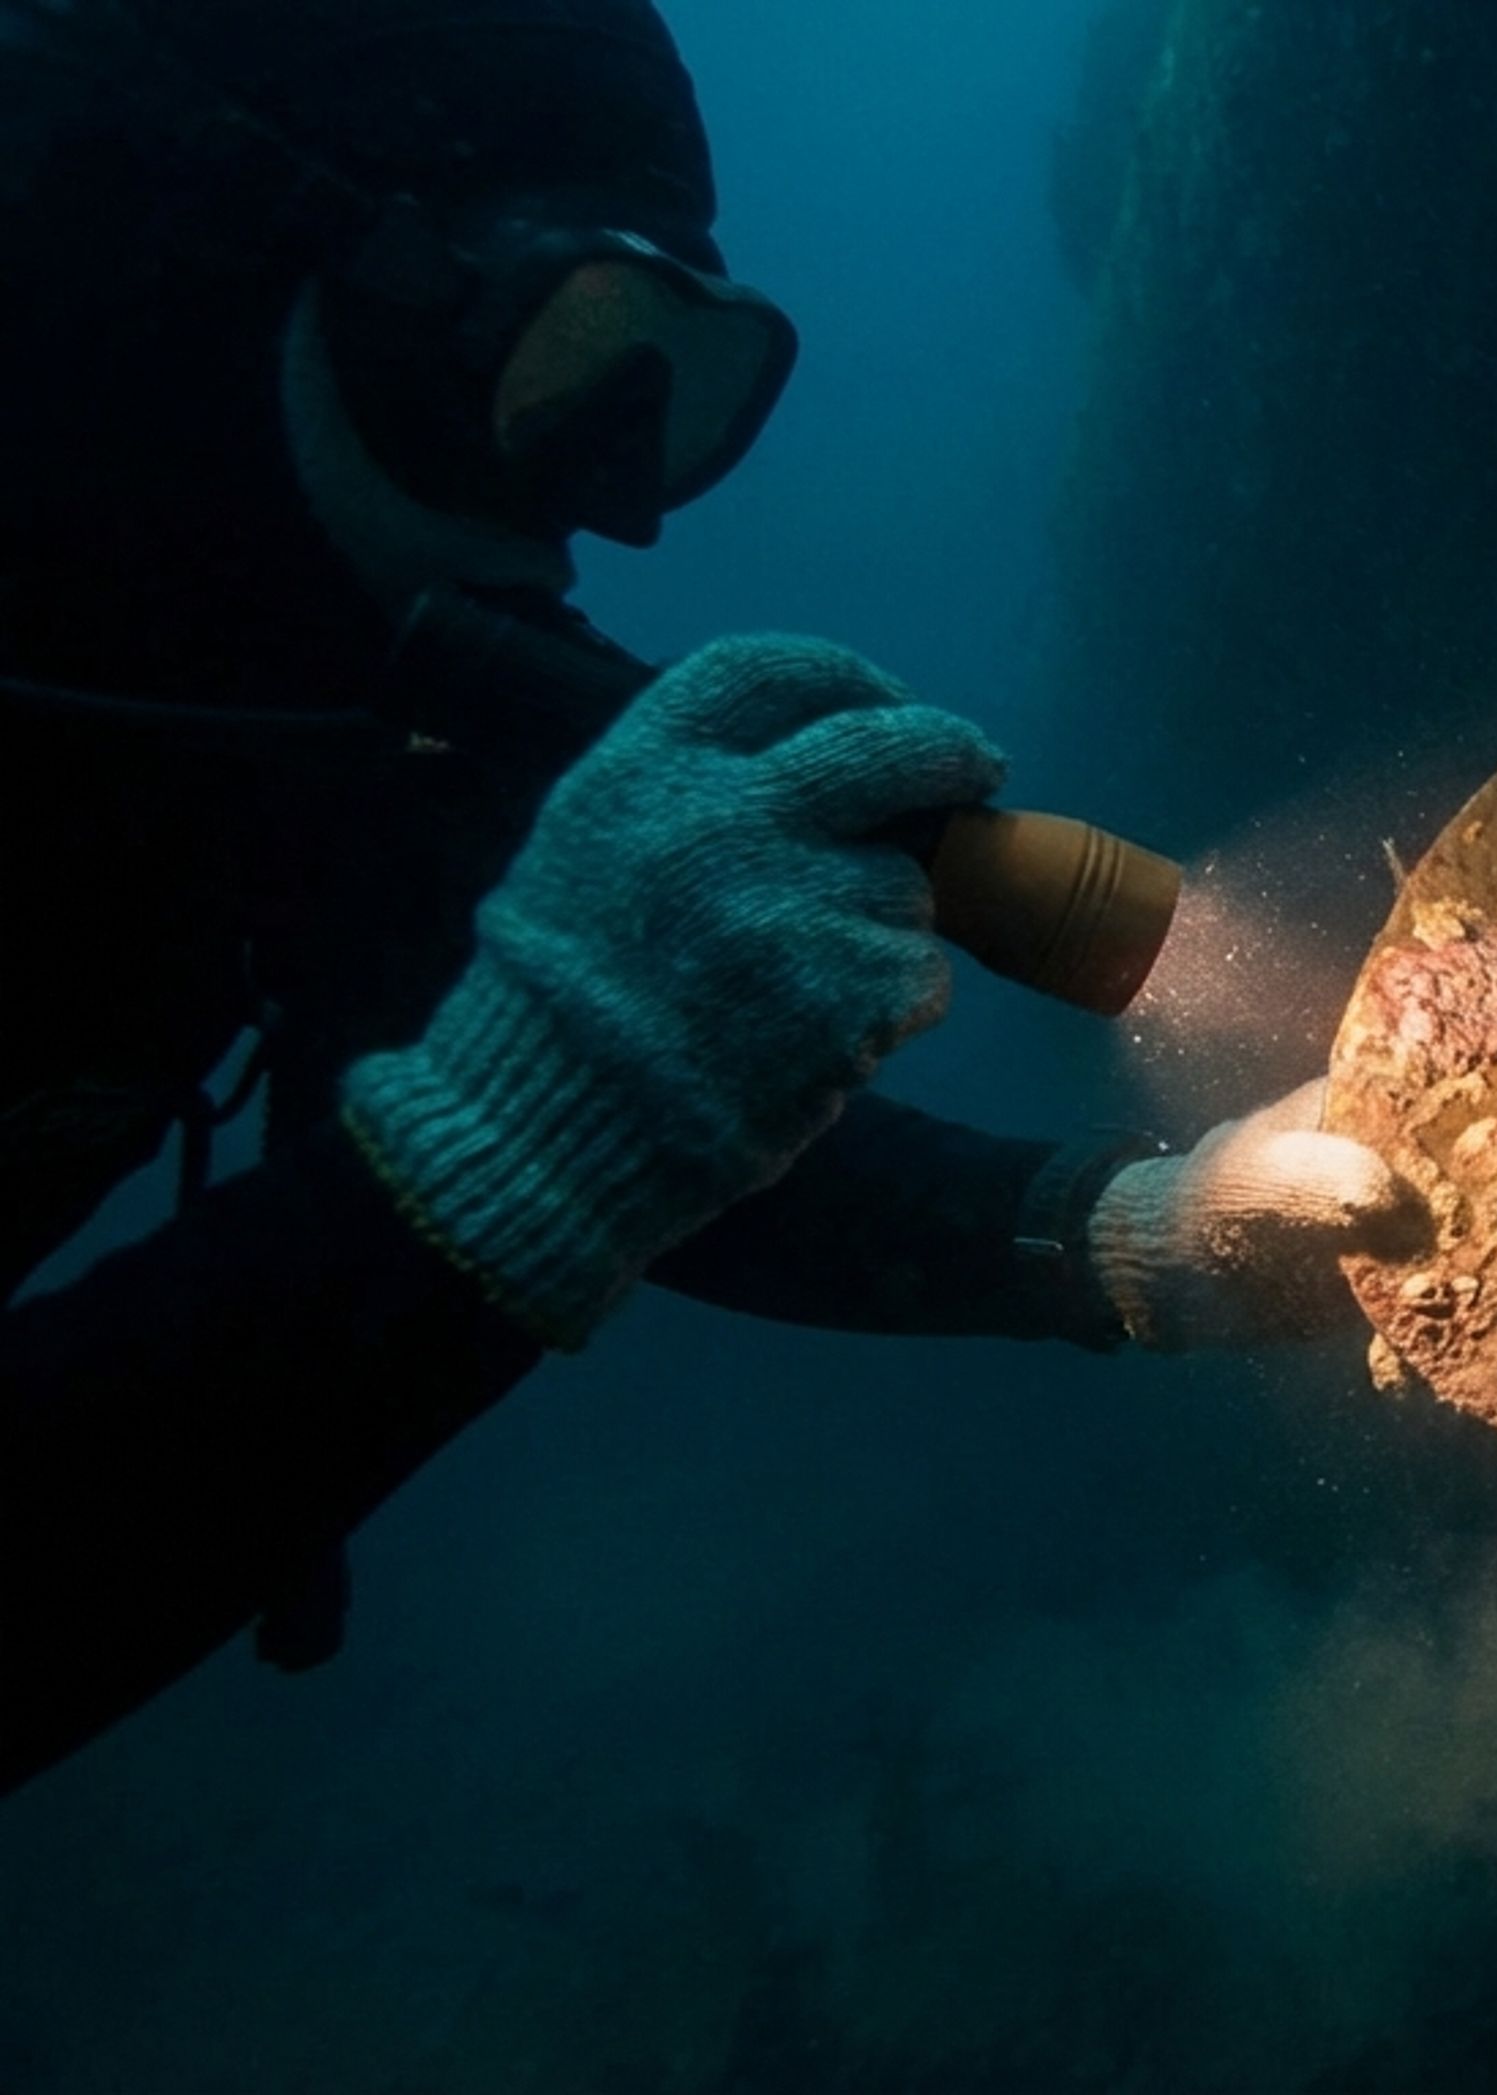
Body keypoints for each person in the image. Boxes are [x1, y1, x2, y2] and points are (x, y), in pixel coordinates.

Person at [0, 0, 1420, 1794]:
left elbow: (681, 1130)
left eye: (682, 397)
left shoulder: (303, 731)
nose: (621, 512)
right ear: (220, 267)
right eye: (574, 351)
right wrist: (514, 1166)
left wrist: (1124, 1234)